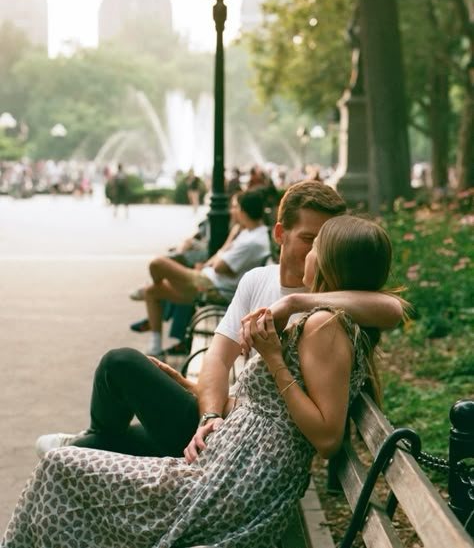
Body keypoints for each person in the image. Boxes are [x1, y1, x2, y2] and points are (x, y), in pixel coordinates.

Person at [2, 215, 403, 548]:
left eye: (317, 246)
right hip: (223, 470)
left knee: (60, 468)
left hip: (232, 488)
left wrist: (275, 360)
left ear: (331, 261)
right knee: (65, 467)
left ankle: (78, 450)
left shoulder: (324, 327)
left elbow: (327, 438)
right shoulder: (326, 318)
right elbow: (274, 411)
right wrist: (198, 392)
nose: (309, 252)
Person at [34, 180, 402, 460]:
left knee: (119, 365)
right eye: (310, 238)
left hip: (248, 445)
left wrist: (294, 302)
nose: (317, 250)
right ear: (280, 234)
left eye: (325, 240)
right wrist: (209, 410)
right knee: (106, 426)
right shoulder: (259, 280)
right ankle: (88, 441)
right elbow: (218, 356)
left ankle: (86, 441)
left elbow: (394, 310)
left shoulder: (332, 315)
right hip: (226, 422)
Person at [130, 189, 271, 357]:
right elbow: (217, 261)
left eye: (234, 207)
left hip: (212, 288)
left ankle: (153, 284)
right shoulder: (249, 233)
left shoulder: (252, 241)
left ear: (243, 210)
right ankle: (155, 348)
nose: (232, 211)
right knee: (151, 292)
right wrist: (231, 238)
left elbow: (218, 266)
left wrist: (220, 254)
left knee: (157, 263)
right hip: (209, 280)